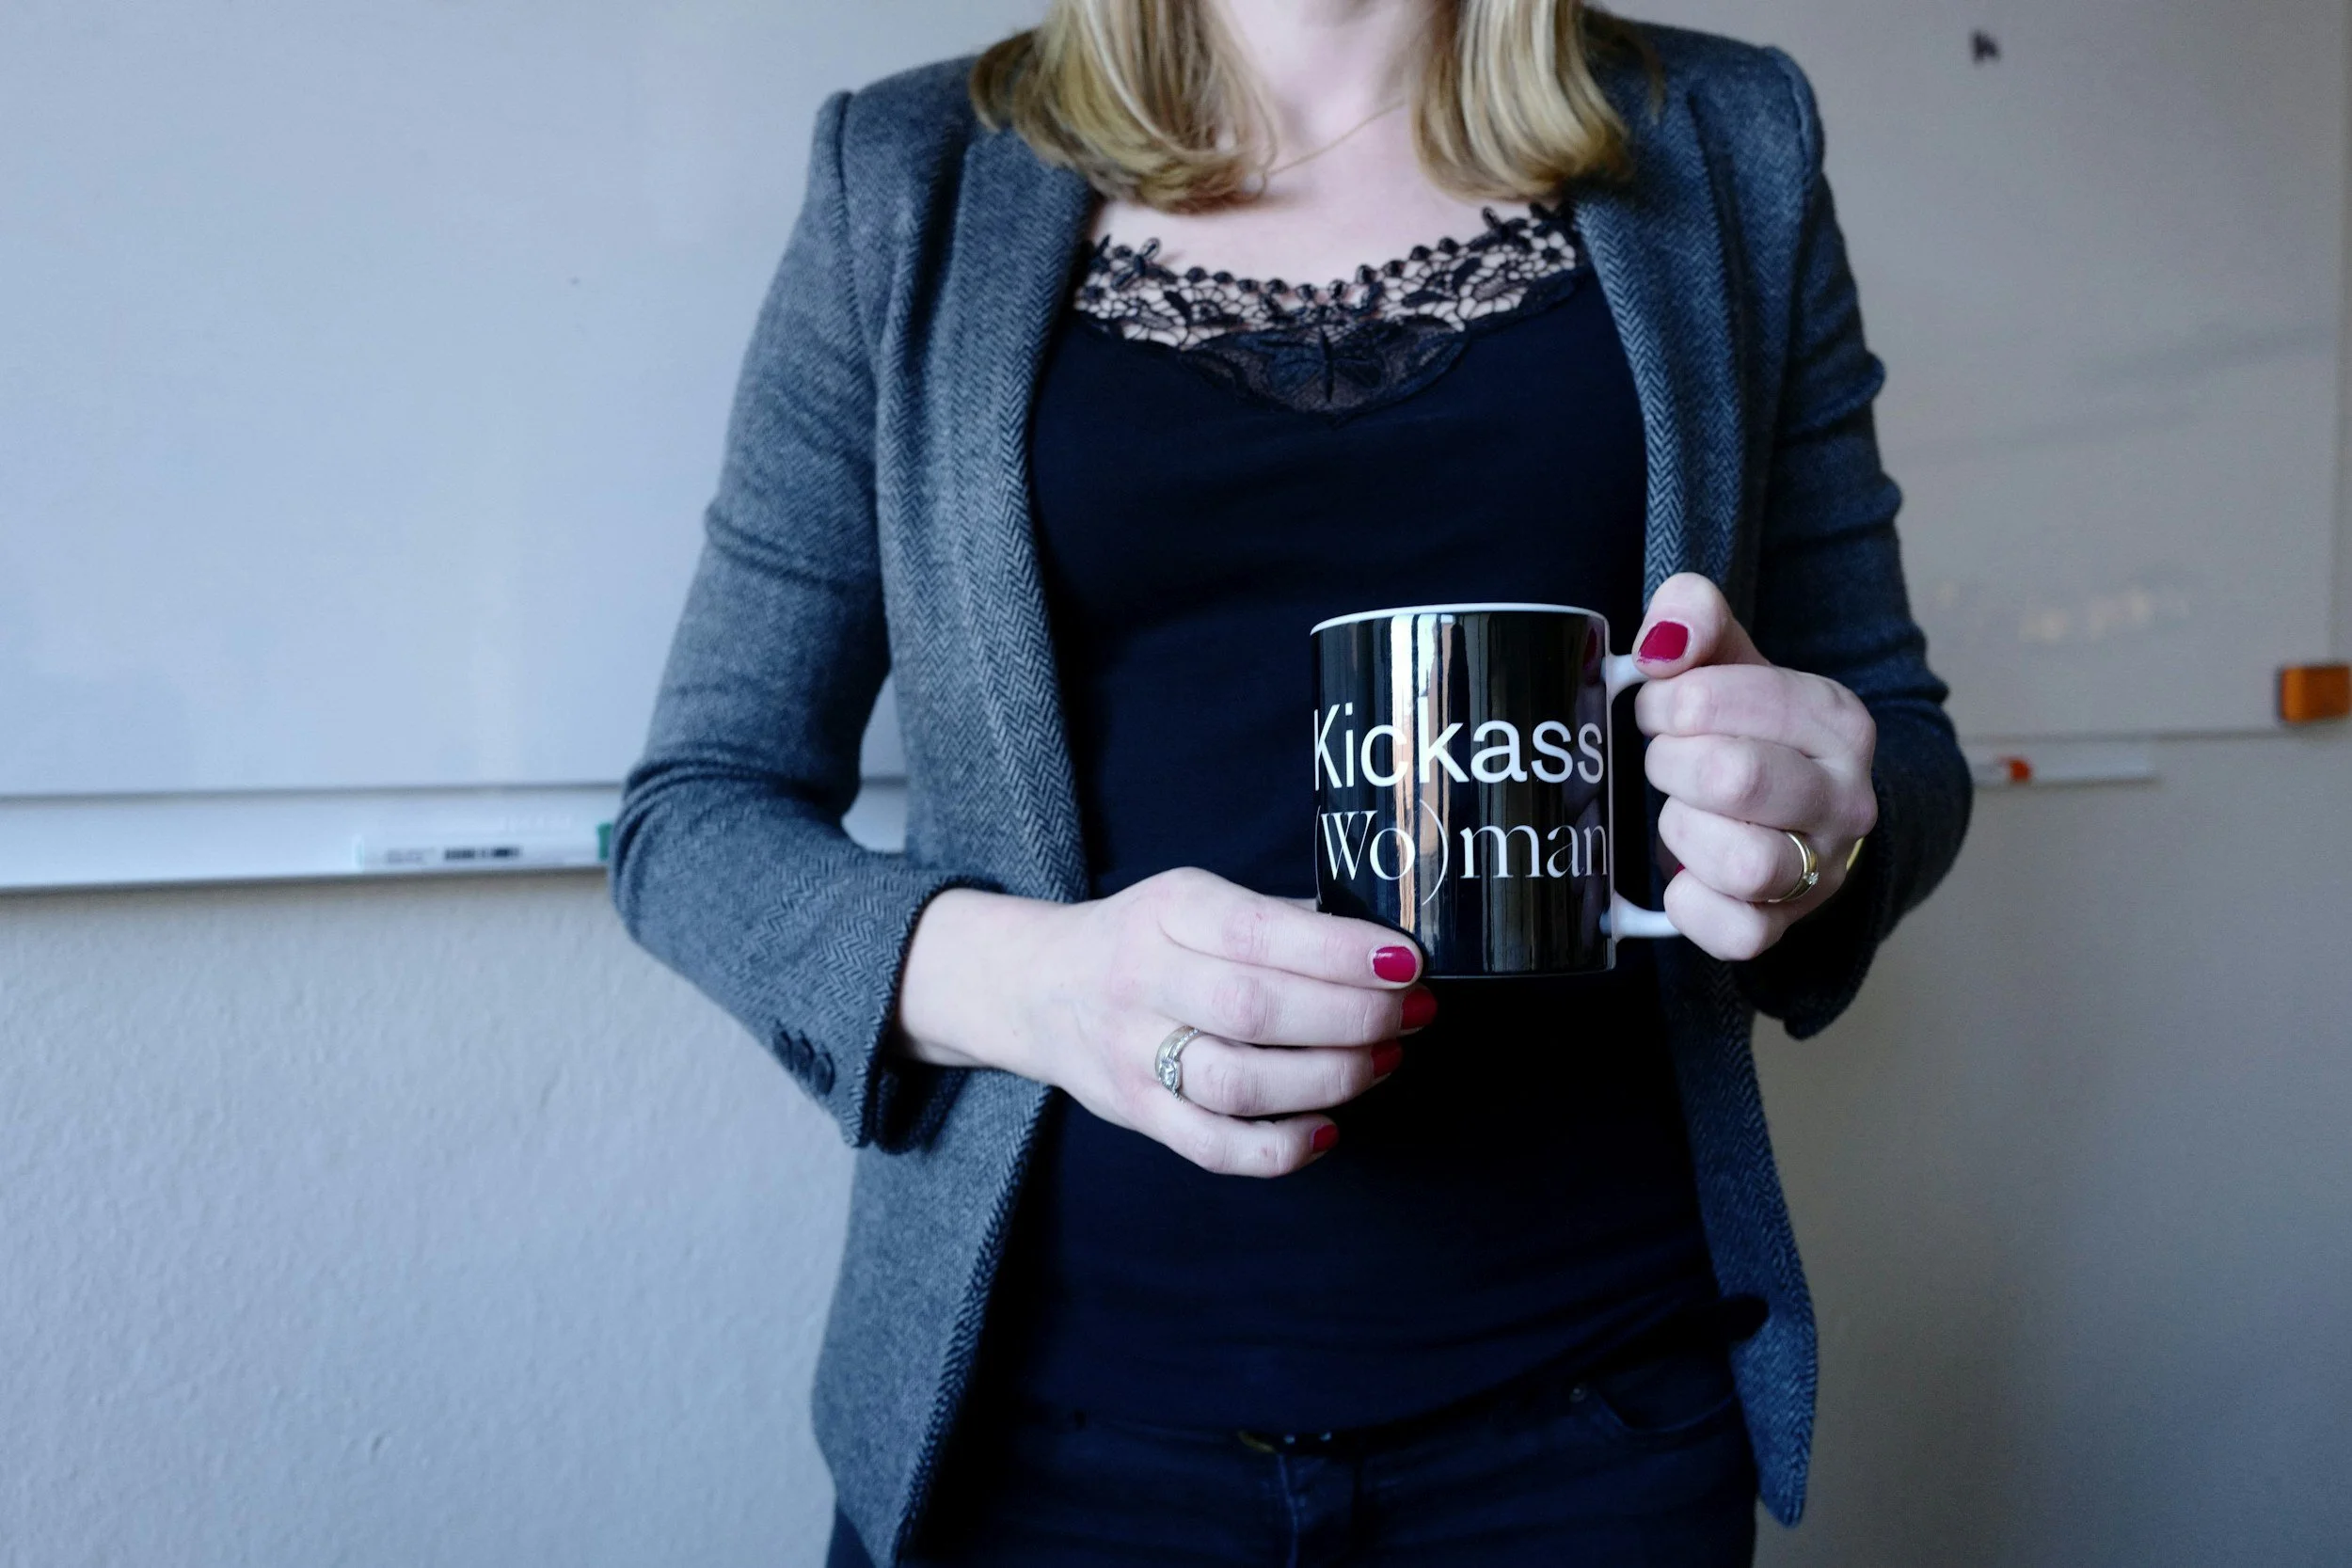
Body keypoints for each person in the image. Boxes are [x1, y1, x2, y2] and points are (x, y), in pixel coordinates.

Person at [611, 1, 1970, 1562]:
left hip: (1599, 1422)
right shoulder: (909, 175)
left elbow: (1892, 733)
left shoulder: (1727, 136)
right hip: (1042, 1440)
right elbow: (693, 812)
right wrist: (1038, 986)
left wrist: (1812, 837)